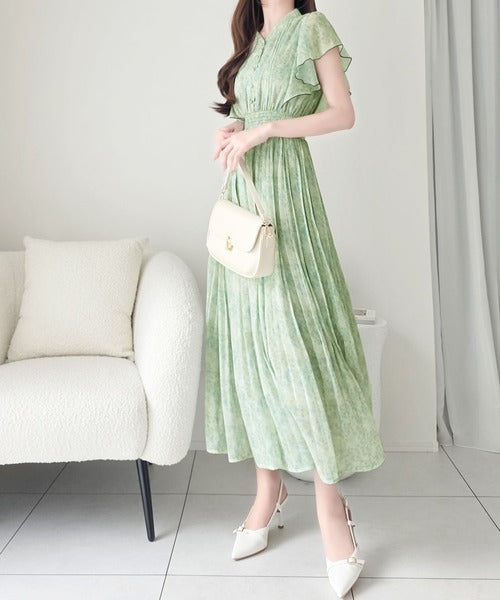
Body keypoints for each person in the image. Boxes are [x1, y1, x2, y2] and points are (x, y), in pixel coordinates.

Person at [205, 1, 385, 596]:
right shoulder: (252, 36)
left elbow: (343, 113)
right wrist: (235, 128)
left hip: (290, 197)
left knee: (303, 348)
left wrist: (266, 129)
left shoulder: (312, 27)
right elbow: (251, 110)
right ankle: (269, 490)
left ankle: (332, 508)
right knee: (256, 351)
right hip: (246, 196)